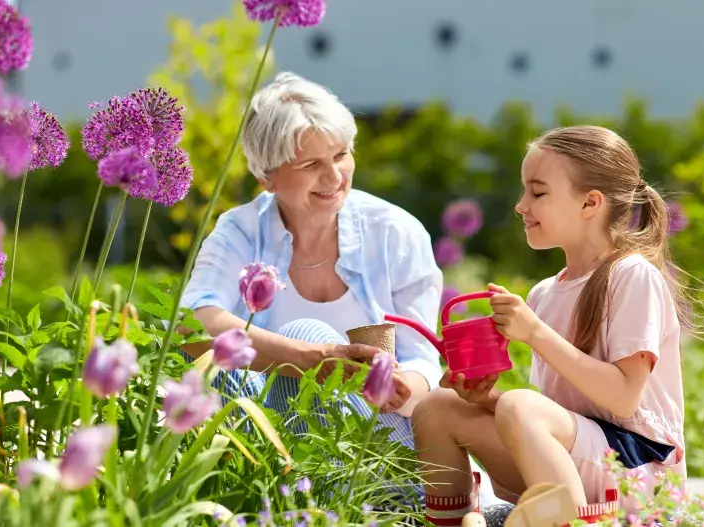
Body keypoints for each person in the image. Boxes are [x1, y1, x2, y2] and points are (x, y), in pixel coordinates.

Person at [178, 71, 505, 508]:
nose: (334, 176)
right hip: (268, 442)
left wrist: (403, 383)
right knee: (306, 333)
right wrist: (312, 358)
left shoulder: (394, 232)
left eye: (341, 154)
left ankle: (361, 506)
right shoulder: (239, 230)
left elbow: (423, 355)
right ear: (267, 176)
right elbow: (191, 325)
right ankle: (375, 508)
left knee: (319, 342)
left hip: (378, 436)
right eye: (311, 164)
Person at [411, 125, 690, 525]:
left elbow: (624, 398)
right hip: (578, 468)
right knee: (437, 407)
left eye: (537, 192)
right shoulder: (545, 292)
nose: (521, 205)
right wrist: (485, 399)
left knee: (520, 405)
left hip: (638, 473)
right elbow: (560, 417)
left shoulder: (632, 276)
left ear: (590, 203)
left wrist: (535, 334)